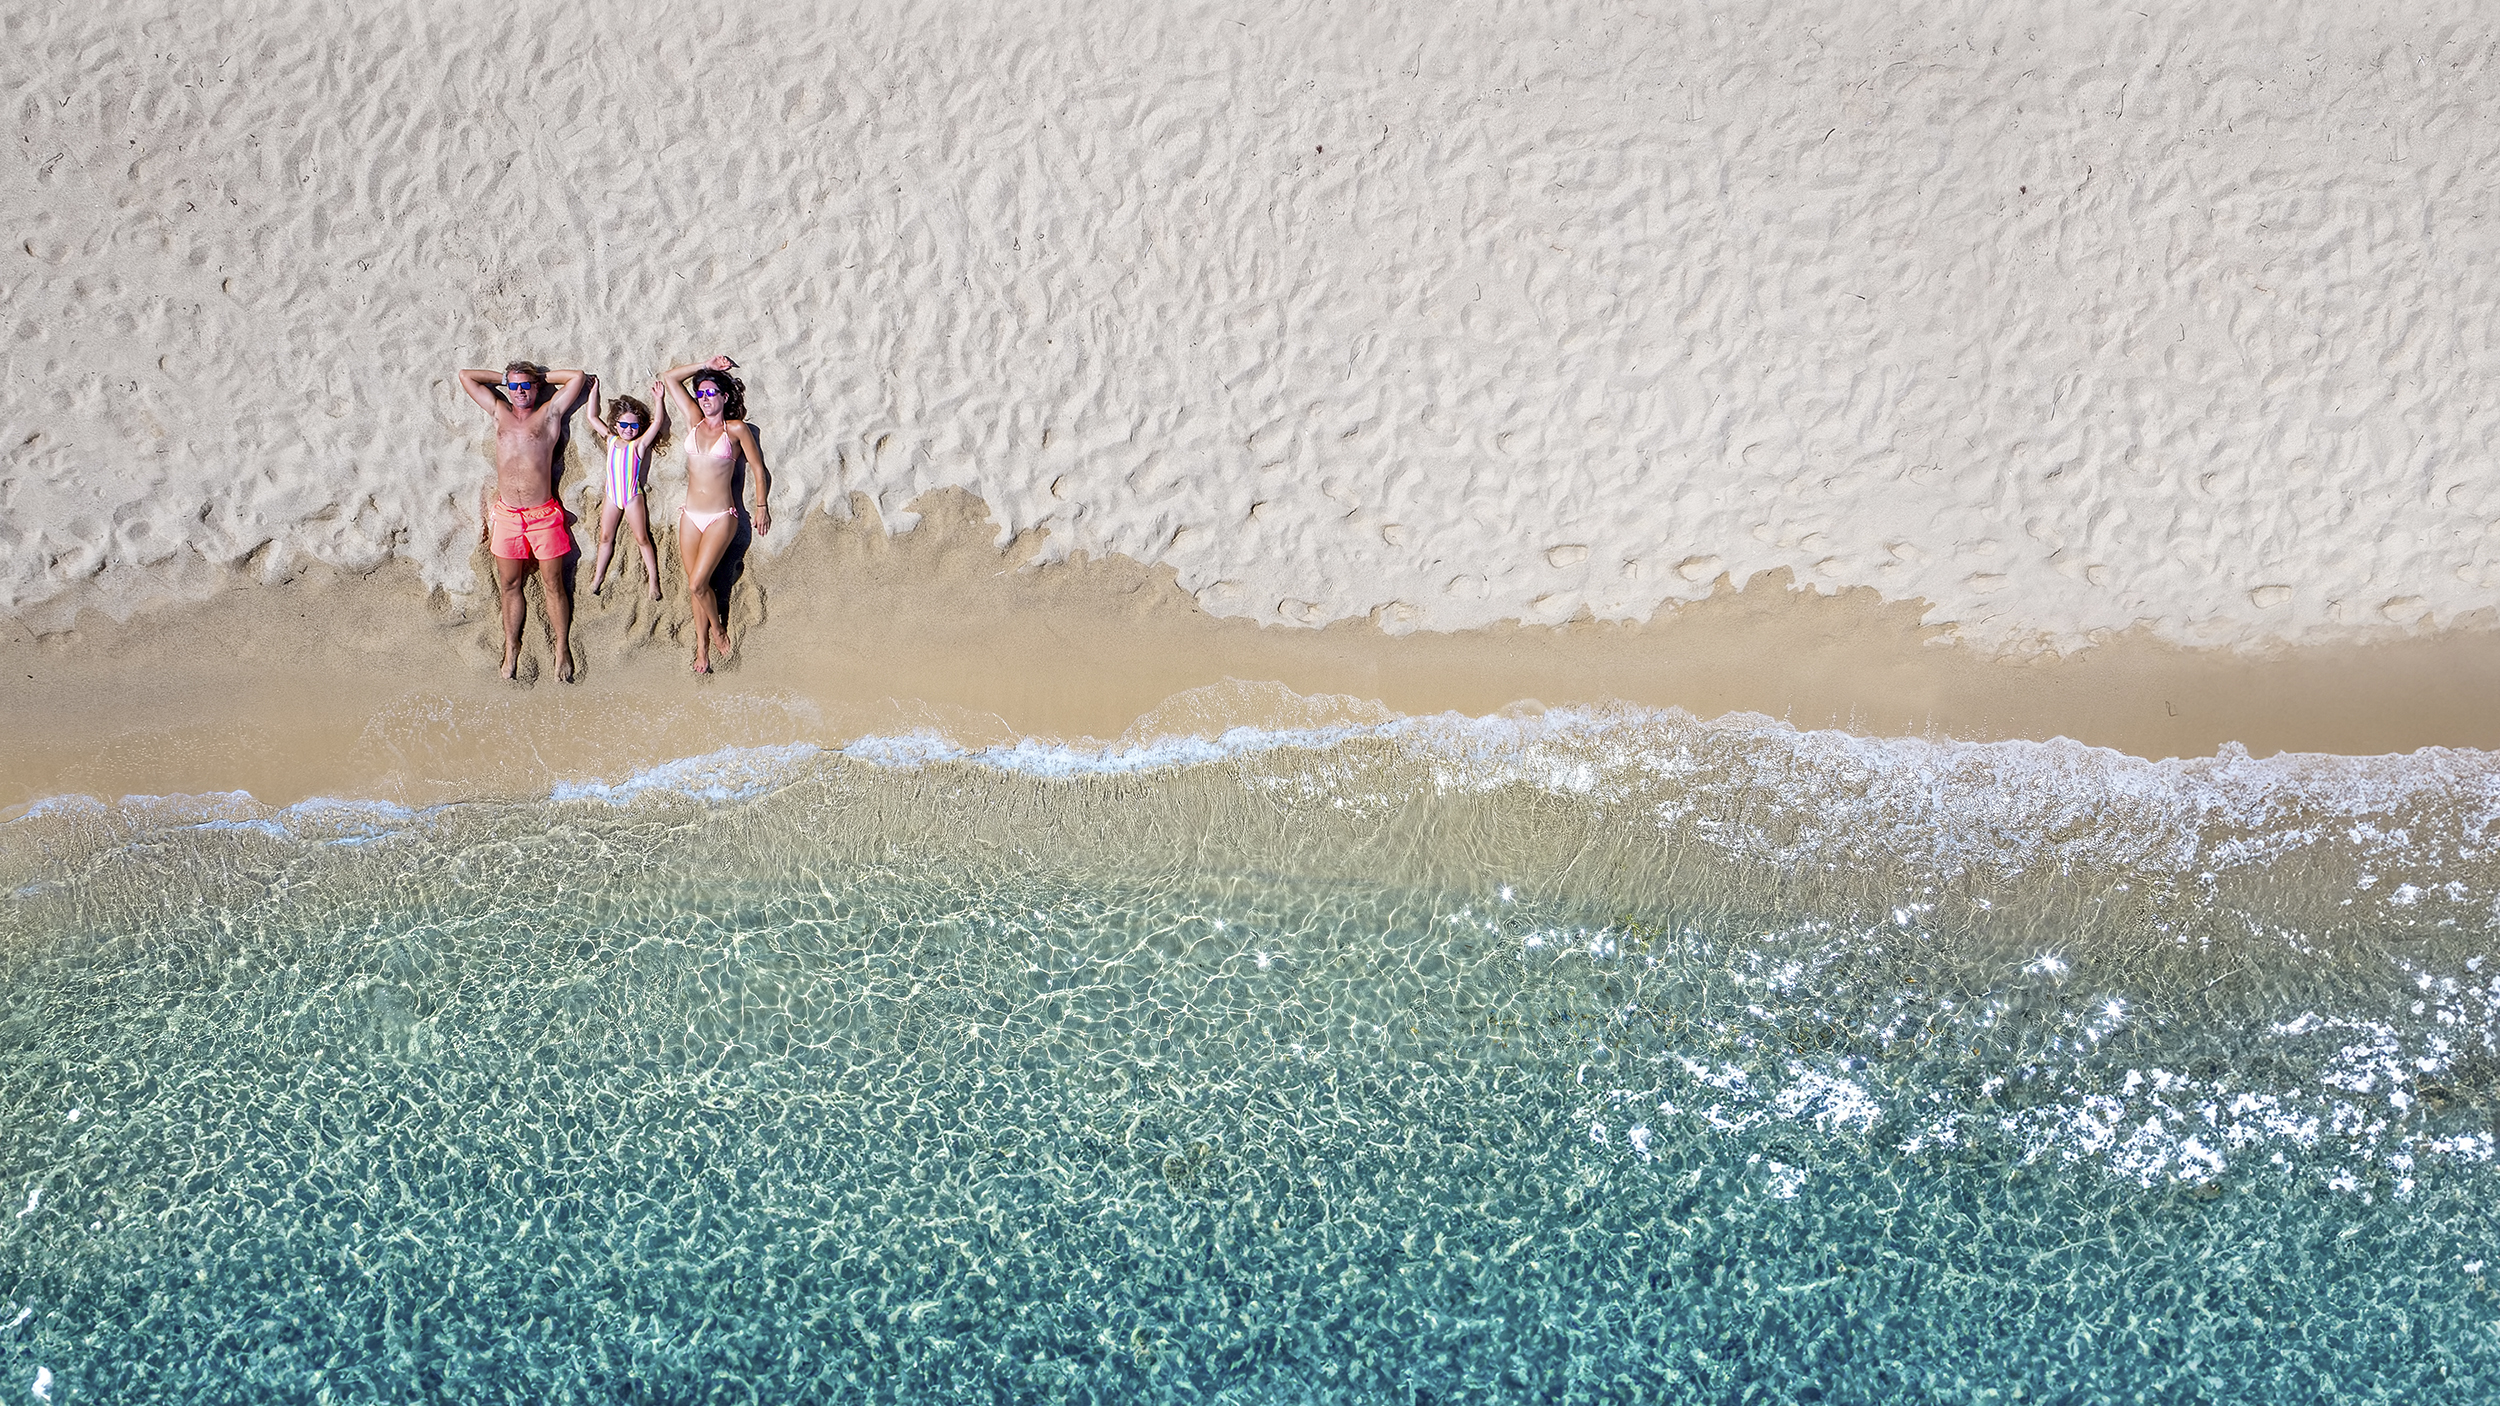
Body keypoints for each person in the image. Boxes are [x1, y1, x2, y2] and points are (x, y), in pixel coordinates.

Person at [458, 361, 593, 681]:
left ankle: (561, 649)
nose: (519, 392)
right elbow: (467, 377)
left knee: (553, 584)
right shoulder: (499, 412)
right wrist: (507, 379)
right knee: (509, 584)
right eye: (514, 387)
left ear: (535, 388)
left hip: (543, 514)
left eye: (526, 386)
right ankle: (512, 646)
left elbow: (576, 378)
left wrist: (537, 379)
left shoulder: (548, 413)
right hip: (507, 515)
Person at [657, 356, 771, 674]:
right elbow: (669, 378)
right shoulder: (694, 421)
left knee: (697, 584)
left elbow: (759, 469)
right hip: (690, 515)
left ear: (724, 396)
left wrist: (761, 506)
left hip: (722, 515)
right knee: (697, 584)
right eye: (701, 393)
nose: (705, 399)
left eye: (711, 393)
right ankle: (702, 649)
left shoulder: (735, 429)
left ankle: (719, 630)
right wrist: (705, 364)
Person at [584, 385, 667, 600]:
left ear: (639, 427)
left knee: (642, 538)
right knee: (605, 537)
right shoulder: (611, 440)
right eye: (624, 424)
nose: (628, 429)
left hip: (631, 495)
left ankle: (654, 581)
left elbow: (657, 423)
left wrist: (659, 399)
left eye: (633, 425)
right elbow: (592, 417)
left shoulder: (638, 445)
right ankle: (598, 577)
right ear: (616, 424)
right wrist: (593, 391)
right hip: (612, 495)